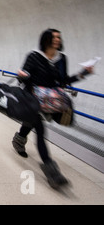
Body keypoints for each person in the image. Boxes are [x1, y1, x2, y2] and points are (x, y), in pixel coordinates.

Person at [12, 28, 94, 188]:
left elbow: (63, 81)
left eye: (59, 37)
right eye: (54, 37)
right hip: (33, 98)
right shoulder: (34, 56)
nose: (57, 39)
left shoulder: (62, 58)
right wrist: (22, 76)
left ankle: (18, 140)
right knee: (41, 130)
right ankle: (52, 171)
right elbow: (24, 78)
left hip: (51, 100)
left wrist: (83, 73)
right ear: (46, 39)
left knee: (29, 124)